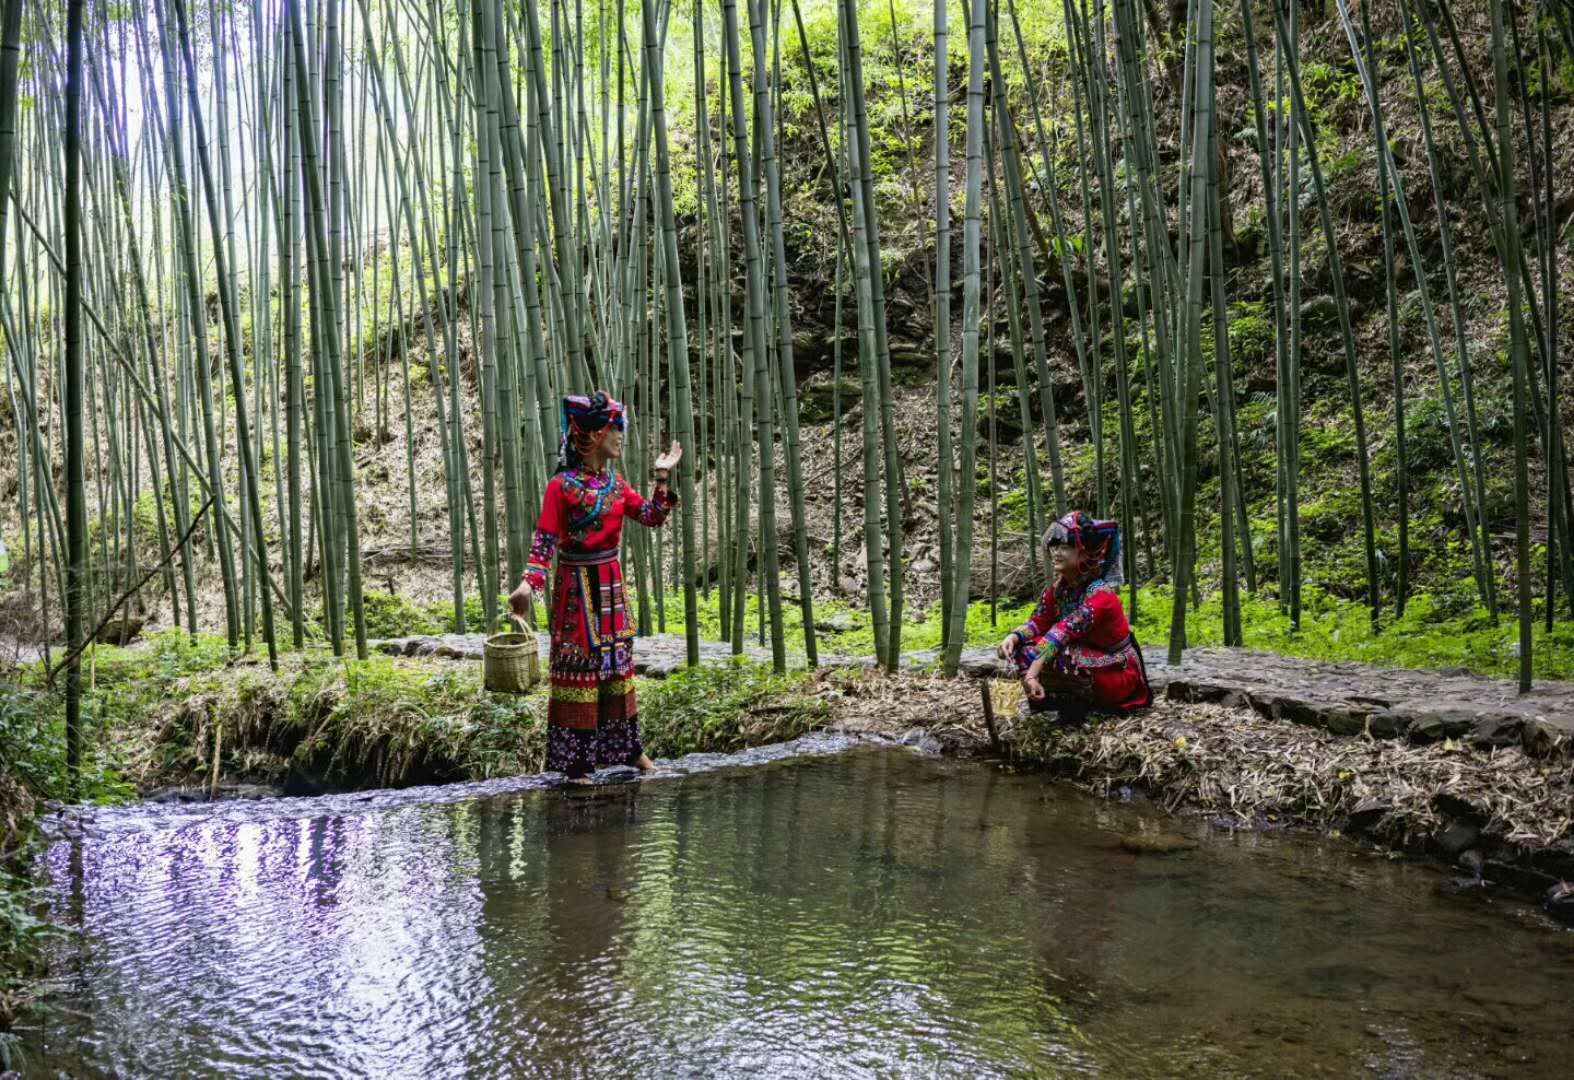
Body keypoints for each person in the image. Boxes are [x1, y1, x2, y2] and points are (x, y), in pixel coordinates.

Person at [508, 391, 681, 784]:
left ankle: (628, 749)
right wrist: (526, 586)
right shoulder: (561, 486)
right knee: (579, 672)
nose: (620, 437)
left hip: (610, 588)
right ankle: (577, 763)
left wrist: (661, 476)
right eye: (615, 429)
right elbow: (544, 542)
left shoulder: (617, 485)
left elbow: (653, 517)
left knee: (617, 668)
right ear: (594, 434)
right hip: (574, 592)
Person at [997, 511, 1152, 721]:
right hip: (1086, 659)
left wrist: (1032, 674)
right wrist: (1014, 637)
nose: (1057, 553)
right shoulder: (1060, 588)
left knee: (1063, 653)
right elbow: (1039, 620)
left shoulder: (1100, 595)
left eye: (1066, 547)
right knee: (1021, 651)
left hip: (1117, 670)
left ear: (1084, 552)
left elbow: (1061, 633)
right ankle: (1046, 701)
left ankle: (1078, 705)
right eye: (1056, 547)